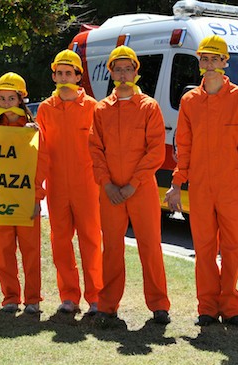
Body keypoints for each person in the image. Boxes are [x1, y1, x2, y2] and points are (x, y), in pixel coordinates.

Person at [164, 35, 238, 327]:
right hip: (201, 187)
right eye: (204, 59)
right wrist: (176, 183)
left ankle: (231, 307)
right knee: (204, 249)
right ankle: (207, 307)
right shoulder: (190, 101)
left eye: (214, 59)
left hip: (232, 187)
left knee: (232, 248)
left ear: (225, 62)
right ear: (199, 64)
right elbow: (184, 146)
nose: (209, 65)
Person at [89, 45, 171, 325]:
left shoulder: (149, 107)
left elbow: (156, 150)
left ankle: (159, 305)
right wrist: (107, 184)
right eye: (118, 68)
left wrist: (134, 183)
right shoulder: (101, 110)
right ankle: (108, 304)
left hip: (141, 189)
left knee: (150, 246)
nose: (123, 74)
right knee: (112, 247)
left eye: (128, 68)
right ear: (110, 72)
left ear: (137, 71)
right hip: (110, 190)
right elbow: (95, 149)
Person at [36, 50, 102, 315]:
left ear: (78, 76)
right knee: (60, 242)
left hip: (87, 185)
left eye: (69, 73)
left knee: (91, 241)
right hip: (57, 186)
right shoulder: (45, 109)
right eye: (59, 73)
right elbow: (37, 149)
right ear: (53, 76)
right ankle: (69, 297)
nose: (64, 78)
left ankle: (96, 297)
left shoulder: (93, 108)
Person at [0, 72, 48, 315]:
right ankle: (10, 298)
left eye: (12, 98)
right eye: (3, 98)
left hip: (25, 199)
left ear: (22, 100)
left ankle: (33, 300)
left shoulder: (33, 131)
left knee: (31, 251)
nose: (7, 103)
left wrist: (36, 198)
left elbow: (41, 165)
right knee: (3, 251)